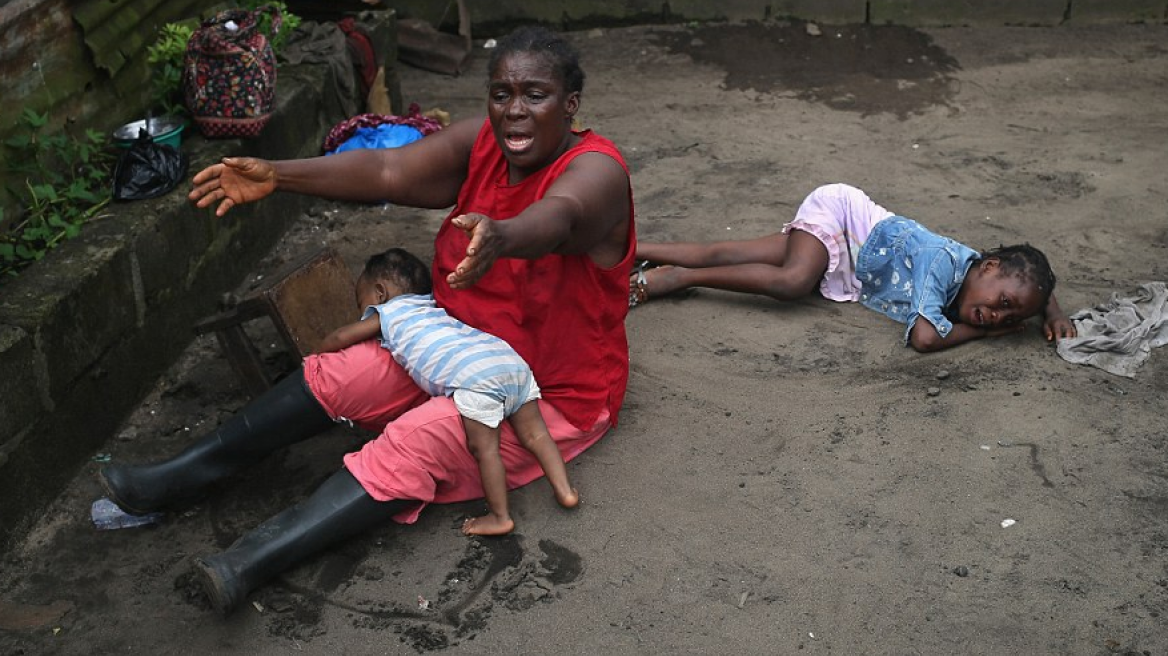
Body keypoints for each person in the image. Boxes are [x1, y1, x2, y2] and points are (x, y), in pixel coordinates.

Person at [99, 25, 634, 615]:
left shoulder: (598, 172)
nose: (515, 111)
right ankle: (174, 479)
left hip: (544, 391)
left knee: (417, 439)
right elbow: (387, 171)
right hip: (457, 344)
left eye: (536, 95)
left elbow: (562, 216)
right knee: (342, 372)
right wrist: (278, 174)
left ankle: (245, 563)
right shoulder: (483, 143)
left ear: (570, 104)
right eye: (501, 93)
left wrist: (503, 235)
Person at [317, 247, 580, 536]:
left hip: (475, 378)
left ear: (380, 293)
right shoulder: (432, 307)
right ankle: (565, 491)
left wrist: (320, 352)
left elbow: (341, 336)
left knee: (486, 450)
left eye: (361, 303)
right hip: (508, 361)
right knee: (537, 435)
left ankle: (500, 517)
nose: (363, 313)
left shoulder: (389, 312)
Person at [629, 183, 1077, 352]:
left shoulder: (986, 275)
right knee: (792, 281)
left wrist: (1051, 311)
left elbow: (1028, 282)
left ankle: (631, 249)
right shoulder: (942, 264)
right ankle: (680, 278)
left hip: (844, 258)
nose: (997, 316)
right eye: (1002, 304)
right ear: (988, 265)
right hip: (843, 219)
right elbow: (924, 338)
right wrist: (985, 334)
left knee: (729, 254)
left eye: (1009, 317)